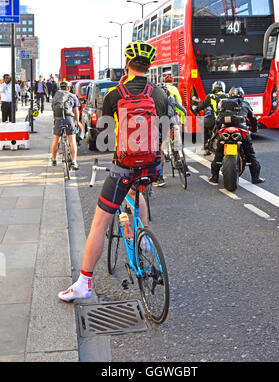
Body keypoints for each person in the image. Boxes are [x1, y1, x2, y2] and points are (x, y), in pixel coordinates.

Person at [58, 41, 169, 302]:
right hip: (151, 166)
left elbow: (104, 137)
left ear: (127, 64)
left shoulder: (114, 94)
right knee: (137, 189)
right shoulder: (160, 94)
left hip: (124, 166)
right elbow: (163, 131)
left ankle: (84, 283)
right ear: (149, 65)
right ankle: (143, 239)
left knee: (99, 222)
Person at [209, 86, 265, 185]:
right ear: (242, 95)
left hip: (225, 131)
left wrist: (218, 131)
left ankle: (214, 177)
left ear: (230, 95)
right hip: (241, 130)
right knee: (250, 155)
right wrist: (255, 129)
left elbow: (218, 118)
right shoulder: (245, 104)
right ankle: (255, 178)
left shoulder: (223, 103)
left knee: (218, 155)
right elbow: (253, 119)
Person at [156, 75, 190, 186]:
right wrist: (183, 122)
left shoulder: (154, 100)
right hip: (174, 122)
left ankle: (160, 177)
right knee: (178, 145)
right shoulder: (172, 97)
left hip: (161, 124)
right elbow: (183, 110)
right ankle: (184, 166)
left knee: (159, 149)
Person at [51, 81, 81, 170]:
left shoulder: (56, 97)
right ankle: (74, 162)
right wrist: (78, 122)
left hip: (58, 118)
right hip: (68, 119)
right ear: (68, 88)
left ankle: (54, 159)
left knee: (56, 140)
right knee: (72, 141)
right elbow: (76, 111)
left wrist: (54, 122)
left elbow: (54, 110)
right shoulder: (72, 96)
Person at [192, 80, 228, 155]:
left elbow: (202, 106)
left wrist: (196, 108)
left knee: (202, 123)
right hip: (227, 120)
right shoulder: (228, 96)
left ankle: (205, 145)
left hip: (216, 120)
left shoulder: (211, 96)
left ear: (214, 88)